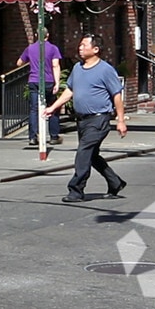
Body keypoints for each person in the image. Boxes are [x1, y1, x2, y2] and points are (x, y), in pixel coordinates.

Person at [47, 32, 127, 203]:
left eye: (84, 45)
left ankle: (76, 190)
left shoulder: (105, 70)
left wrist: (120, 121)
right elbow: (69, 90)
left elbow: (117, 96)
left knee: (83, 152)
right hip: (82, 120)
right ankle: (115, 182)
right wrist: (53, 107)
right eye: (80, 45)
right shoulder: (77, 68)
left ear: (96, 49)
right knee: (91, 155)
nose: (80, 48)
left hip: (98, 119)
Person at [17, 29, 63, 145]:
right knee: (52, 108)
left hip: (33, 80)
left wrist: (31, 62)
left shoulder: (30, 48)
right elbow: (55, 65)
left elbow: (19, 63)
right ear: (48, 35)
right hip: (48, 81)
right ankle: (54, 136)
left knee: (34, 109)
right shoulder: (53, 48)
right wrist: (57, 83)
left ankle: (33, 136)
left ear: (37, 35)